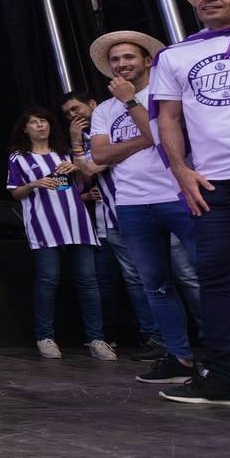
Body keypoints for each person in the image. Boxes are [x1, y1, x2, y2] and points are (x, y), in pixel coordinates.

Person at [151, 0, 230, 405]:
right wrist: (180, 170)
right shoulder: (175, 55)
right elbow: (167, 119)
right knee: (216, 277)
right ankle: (227, 375)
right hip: (214, 183)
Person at [88, 30, 200, 387]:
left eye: (128, 58)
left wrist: (132, 106)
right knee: (156, 286)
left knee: (208, 279)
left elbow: (165, 141)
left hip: (178, 195)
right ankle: (180, 357)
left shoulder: (166, 94)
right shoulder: (104, 110)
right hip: (133, 203)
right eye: (116, 60)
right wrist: (143, 136)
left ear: (148, 60)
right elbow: (101, 155)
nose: (121, 65)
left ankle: (229, 356)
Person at [5, 107, 116, 361]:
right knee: (48, 280)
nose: (40, 126)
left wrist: (76, 169)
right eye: (33, 122)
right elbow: (14, 192)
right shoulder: (19, 157)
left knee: (88, 281)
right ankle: (45, 336)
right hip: (44, 224)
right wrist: (34, 183)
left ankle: (96, 338)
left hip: (77, 222)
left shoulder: (63, 153)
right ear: (25, 129)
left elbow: (79, 184)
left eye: (43, 121)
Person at [61, 90, 164, 359]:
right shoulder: (84, 142)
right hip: (117, 216)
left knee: (187, 275)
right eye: (67, 113)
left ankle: (214, 340)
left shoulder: (124, 119)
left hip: (162, 202)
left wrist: (111, 152)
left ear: (93, 105)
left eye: (75, 109)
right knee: (136, 280)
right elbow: (87, 171)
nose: (73, 116)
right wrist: (76, 141)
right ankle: (156, 338)